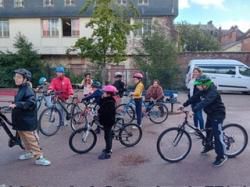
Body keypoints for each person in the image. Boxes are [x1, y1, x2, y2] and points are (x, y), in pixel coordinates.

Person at [180, 75, 227, 167]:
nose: (197, 87)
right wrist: (184, 104)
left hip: (218, 114)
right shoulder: (202, 90)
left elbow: (205, 102)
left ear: (205, 84)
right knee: (208, 131)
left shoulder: (213, 92)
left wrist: (194, 110)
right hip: (210, 114)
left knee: (217, 136)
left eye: (198, 85)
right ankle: (209, 146)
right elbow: (194, 98)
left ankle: (221, 156)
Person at [10, 68, 51, 166]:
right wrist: (14, 104)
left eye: (19, 77)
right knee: (24, 138)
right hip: (21, 120)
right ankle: (30, 152)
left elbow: (31, 102)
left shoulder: (28, 90)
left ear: (25, 79)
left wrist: (17, 104)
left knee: (31, 139)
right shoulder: (21, 89)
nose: (16, 78)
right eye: (15, 77)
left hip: (27, 120)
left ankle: (39, 157)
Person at [97, 85, 117, 160]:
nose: (103, 93)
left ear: (108, 94)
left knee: (107, 136)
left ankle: (108, 151)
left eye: (104, 92)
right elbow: (100, 104)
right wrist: (101, 98)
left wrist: (100, 111)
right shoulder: (106, 99)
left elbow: (106, 112)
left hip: (108, 121)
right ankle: (107, 148)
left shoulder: (110, 102)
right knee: (107, 135)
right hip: (106, 121)